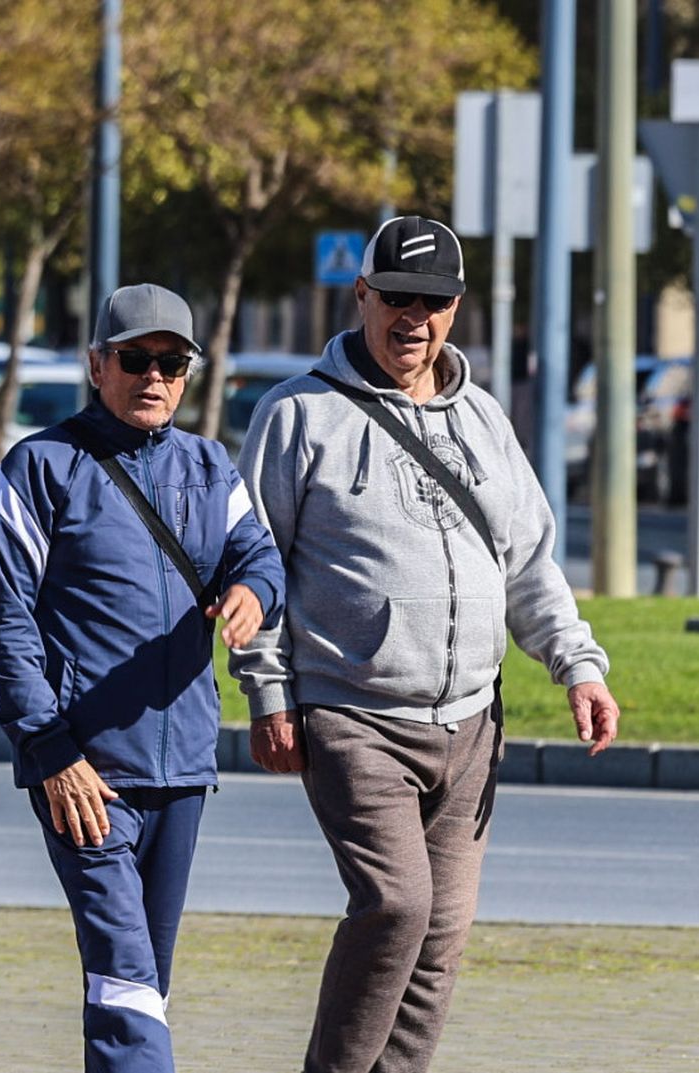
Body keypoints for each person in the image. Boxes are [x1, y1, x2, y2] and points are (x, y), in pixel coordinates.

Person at [233, 216, 621, 1073]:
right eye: (397, 298)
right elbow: (254, 564)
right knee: (397, 907)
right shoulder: (298, 415)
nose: (415, 318)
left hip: (472, 725)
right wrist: (267, 693)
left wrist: (578, 665)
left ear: (457, 309)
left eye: (435, 302)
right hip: (353, 713)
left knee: (441, 939)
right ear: (362, 296)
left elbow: (528, 564)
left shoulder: (482, 419)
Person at [0, 282, 285, 1073]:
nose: (154, 377)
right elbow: (5, 626)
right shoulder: (39, 469)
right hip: (86, 772)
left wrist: (253, 592)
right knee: (125, 972)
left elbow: (260, 556)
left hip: (183, 767)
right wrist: (51, 752)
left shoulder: (213, 466)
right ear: (96, 364)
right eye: (136, 359)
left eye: (172, 362)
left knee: (140, 981)